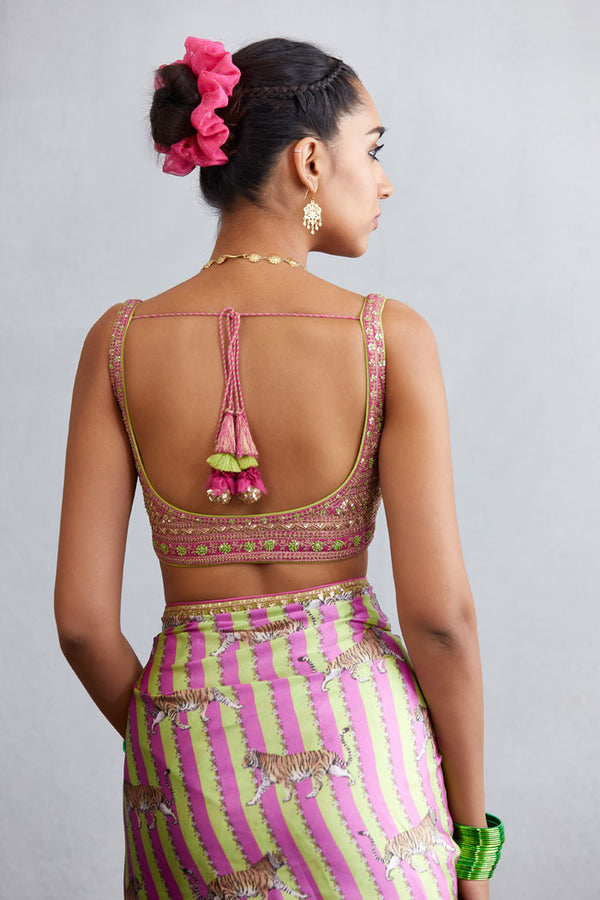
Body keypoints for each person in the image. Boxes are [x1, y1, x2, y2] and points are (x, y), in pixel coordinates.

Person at [54, 36, 503, 900]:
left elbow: (81, 624)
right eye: (372, 149)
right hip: (365, 762)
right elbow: (441, 620)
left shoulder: (117, 341)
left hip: (185, 772)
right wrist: (474, 838)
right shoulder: (387, 338)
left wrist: (175, 740)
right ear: (309, 161)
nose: (384, 182)